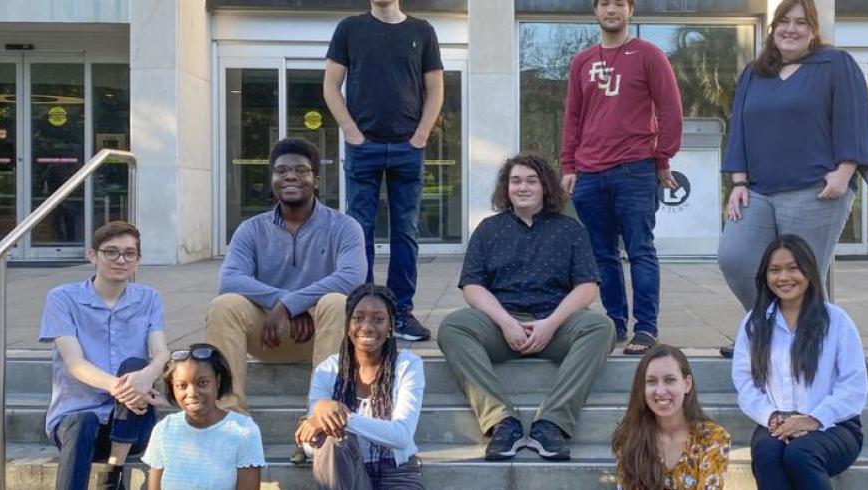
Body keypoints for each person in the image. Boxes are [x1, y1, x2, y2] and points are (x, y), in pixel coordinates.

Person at [718, 0, 868, 358]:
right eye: (784, 22)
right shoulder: (754, 73)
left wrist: (845, 171)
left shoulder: (836, 64)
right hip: (758, 190)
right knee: (736, 257)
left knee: (799, 273)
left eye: (801, 23)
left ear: (813, 29)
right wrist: (738, 182)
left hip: (814, 191)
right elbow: (740, 128)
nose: (791, 29)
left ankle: (805, 346)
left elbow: (853, 118)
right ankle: (766, 327)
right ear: (773, 28)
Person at [437, 154, 615, 461]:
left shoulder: (570, 230)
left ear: (545, 187)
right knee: (453, 327)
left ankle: (551, 423)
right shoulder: (488, 229)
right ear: (506, 187)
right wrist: (506, 323)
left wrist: (551, 324)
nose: (523, 187)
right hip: (501, 326)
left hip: (555, 325)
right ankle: (502, 422)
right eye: (515, 180)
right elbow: (472, 286)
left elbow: (587, 287)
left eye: (531, 181)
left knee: (601, 327)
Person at [205, 138, 365, 461]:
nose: (290, 176)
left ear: (316, 180)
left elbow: (351, 278)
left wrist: (292, 305)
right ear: (273, 179)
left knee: (335, 302)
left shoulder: (344, 227)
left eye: (300, 170)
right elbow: (230, 279)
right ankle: (231, 422)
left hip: (324, 337)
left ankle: (317, 420)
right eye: (282, 170)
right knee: (224, 306)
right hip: (270, 335)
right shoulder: (251, 230)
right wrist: (284, 304)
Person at [560, 0, 683, 355]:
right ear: (594, 11)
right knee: (602, 256)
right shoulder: (582, 60)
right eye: (603, 3)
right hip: (590, 173)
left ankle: (646, 328)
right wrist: (569, 165)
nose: (610, 9)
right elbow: (573, 115)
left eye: (619, 3)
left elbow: (670, 109)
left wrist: (663, 157)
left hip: (635, 169)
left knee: (640, 250)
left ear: (631, 10)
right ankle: (614, 324)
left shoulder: (649, 55)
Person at [323, 0, 444, 342]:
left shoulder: (422, 31)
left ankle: (401, 312)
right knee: (359, 233)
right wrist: (349, 130)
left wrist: (421, 134)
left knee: (405, 232)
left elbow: (435, 88)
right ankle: (361, 312)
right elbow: (331, 84)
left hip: (408, 147)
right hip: (364, 147)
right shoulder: (350, 28)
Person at [731, 235, 868, 490]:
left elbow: (854, 386)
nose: (783, 277)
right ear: (765, 276)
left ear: (809, 271)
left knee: (800, 454)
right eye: (774, 270)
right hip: (775, 420)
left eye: (793, 268)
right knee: (767, 454)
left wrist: (814, 419)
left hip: (835, 424)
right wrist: (771, 416)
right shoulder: (755, 322)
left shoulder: (836, 321)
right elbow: (744, 381)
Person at [39, 221, 167, 490]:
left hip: (132, 427)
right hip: (75, 425)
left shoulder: (149, 298)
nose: (121, 260)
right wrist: (125, 388)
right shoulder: (62, 298)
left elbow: (161, 352)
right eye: (111, 252)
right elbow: (74, 364)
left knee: (135, 365)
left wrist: (146, 376)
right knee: (83, 420)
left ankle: (114, 471)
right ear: (92, 255)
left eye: (129, 253)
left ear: (138, 260)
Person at [295, 284, 425, 490]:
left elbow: (401, 436)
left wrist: (341, 417)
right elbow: (312, 442)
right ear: (347, 325)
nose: (367, 326)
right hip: (344, 472)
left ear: (391, 327)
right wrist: (325, 421)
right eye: (358, 318)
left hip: (396, 473)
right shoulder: (327, 370)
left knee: (333, 429)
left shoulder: (407, 366)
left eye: (378, 319)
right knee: (333, 442)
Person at [143, 344, 265, 490]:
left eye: (202, 383)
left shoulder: (244, 431)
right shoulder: (164, 430)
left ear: (218, 382)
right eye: (182, 386)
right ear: (172, 388)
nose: (192, 393)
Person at [611, 344, 731, 490]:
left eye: (669, 380)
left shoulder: (712, 438)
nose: (660, 391)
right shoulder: (629, 437)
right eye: (652, 381)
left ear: (687, 384)